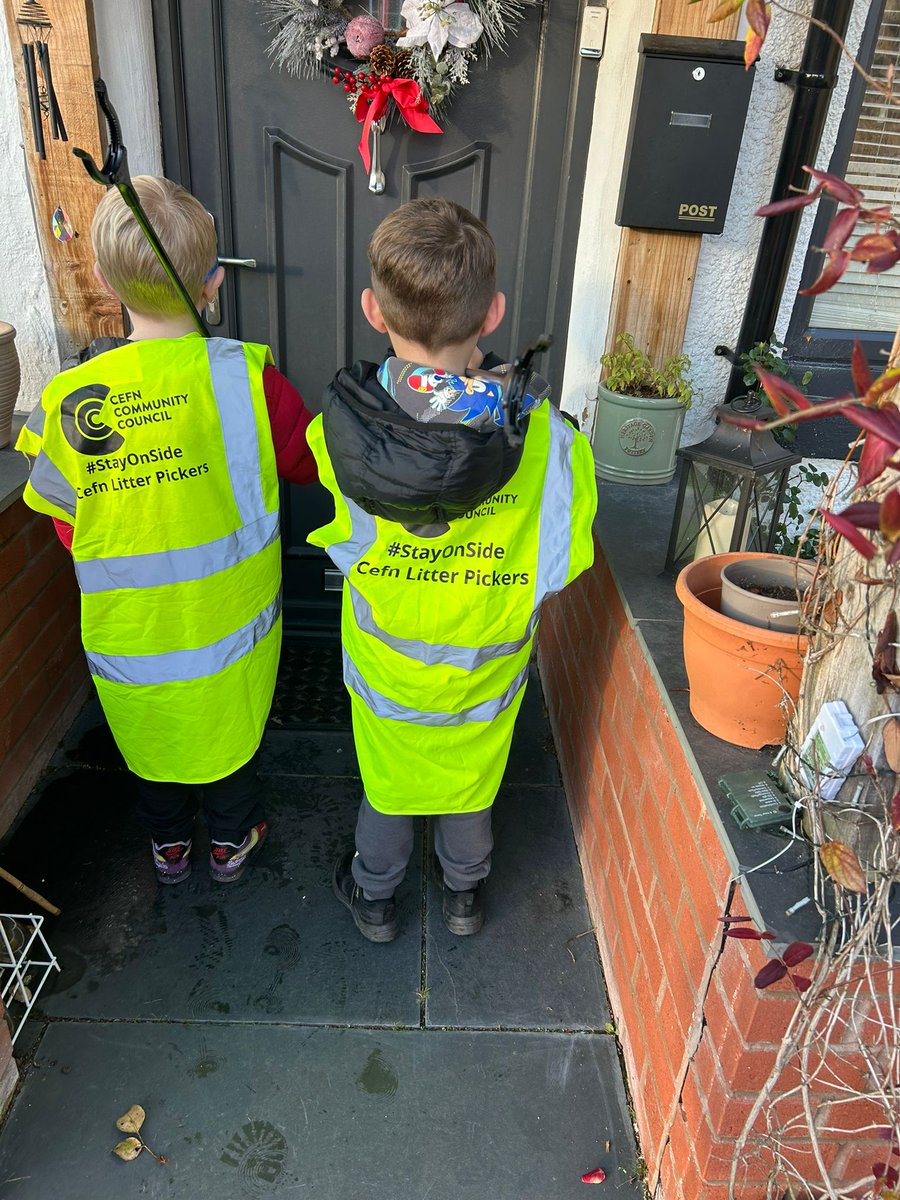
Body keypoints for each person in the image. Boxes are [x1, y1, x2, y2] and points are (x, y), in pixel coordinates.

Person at [307, 197, 597, 942]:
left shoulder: (332, 435)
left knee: (390, 786)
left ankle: (375, 897)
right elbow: (563, 565)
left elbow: (345, 540)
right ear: (493, 311)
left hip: (387, 668)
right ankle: (465, 897)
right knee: (471, 785)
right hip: (485, 672)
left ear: (374, 310)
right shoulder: (555, 445)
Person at [16, 176, 317, 886]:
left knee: (152, 747)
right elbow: (309, 466)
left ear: (102, 280)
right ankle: (231, 842)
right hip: (231, 629)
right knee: (230, 742)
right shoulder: (250, 382)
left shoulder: (69, 402)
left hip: (132, 637)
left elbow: (67, 528)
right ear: (213, 285)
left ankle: (169, 848)